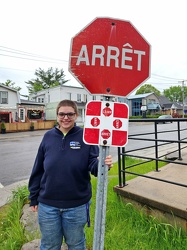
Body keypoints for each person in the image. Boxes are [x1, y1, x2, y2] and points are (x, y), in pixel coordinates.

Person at [28, 99, 113, 250]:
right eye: (62, 114)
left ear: (76, 115)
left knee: (76, 244)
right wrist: (33, 197)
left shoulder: (86, 136)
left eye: (69, 114)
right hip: (48, 205)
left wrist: (102, 163)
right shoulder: (48, 136)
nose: (65, 118)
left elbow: (93, 165)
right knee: (49, 245)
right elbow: (38, 169)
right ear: (57, 115)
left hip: (77, 205)